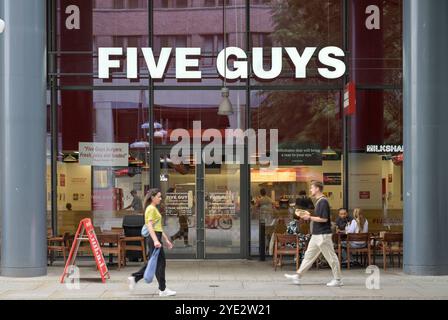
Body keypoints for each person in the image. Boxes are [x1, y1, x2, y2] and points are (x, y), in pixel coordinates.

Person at [284, 181, 343, 287]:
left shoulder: (323, 201)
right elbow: (320, 217)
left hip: (323, 235)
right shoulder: (319, 201)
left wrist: (309, 217)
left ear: (317, 189)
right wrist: (308, 215)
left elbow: (324, 219)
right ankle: (298, 276)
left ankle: (338, 279)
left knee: (331, 257)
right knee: (308, 256)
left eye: (312, 188)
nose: (310, 190)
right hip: (316, 235)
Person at [128, 189, 176, 296]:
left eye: (160, 196)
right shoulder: (150, 209)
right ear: (152, 197)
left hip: (156, 236)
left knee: (154, 262)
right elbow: (150, 226)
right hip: (154, 238)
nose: (160, 198)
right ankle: (162, 289)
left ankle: (135, 277)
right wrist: (155, 241)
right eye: (158, 196)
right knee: (160, 263)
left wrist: (166, 240)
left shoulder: (153, 208)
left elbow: (158, 227)